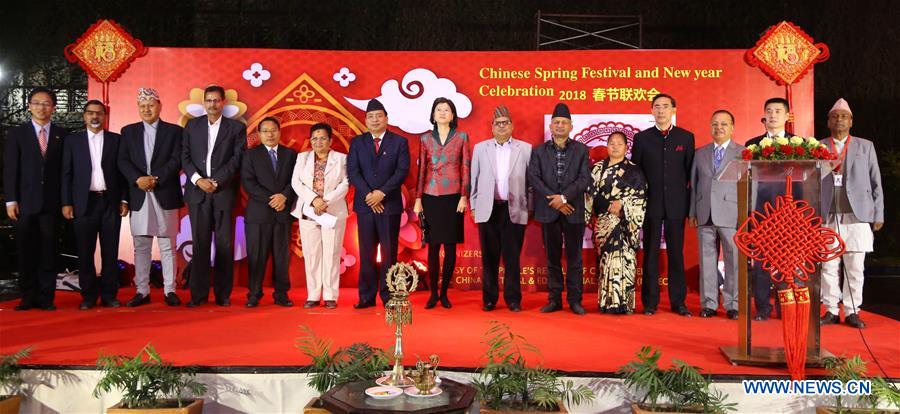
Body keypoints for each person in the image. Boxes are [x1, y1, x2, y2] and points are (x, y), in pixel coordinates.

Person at [820, 98, 884, 329]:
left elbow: (876, 182)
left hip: (857, 216)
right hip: (827, 216)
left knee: (855, 267)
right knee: (828, 265)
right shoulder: (818, 146)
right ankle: (830, 309)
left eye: (844, 116)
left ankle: (853, 310)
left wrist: (879, 214)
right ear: (828, 122)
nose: (839, 120)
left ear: (851, 122)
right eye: (835, 116)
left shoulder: (865, 146)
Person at [181, 85, 247, 307]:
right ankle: (198, 295)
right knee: (199, 244)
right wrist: (198, 180)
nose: (212, 104)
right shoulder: (192, 126)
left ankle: (222, 295)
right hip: (197, 192)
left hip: (223, 192)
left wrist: (216, 181)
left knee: (224, 245)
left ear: (223, 102)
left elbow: (236, 160)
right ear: (203, 103)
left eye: (216, 100)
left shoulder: (236, 128)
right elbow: (185, 156)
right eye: (208, 101)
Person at [118, 88, 185, 307]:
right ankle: (142, 291)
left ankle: (169, 290)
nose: (147, 109)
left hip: (164, 191)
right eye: (142, 105)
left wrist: (155, 179)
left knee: (167, 244)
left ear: (160, 105)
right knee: (141, 245)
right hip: (139, 193)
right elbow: (123, 161)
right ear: (138, 108)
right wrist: (138, 179)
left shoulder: (174, 131)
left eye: (151, 104)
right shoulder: (128, 132)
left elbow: (177, 160)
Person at [4, 87, 67, 311]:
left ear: (53, 108)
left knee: (49, 251)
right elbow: (11, 169)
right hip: (24, 203)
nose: (42, 107)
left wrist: (66, 201)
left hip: (52, 204)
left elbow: (65, 172)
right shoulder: (17, 134)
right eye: (37, 103)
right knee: (26, 249)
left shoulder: (62, 134)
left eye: (47, 103)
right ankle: (27, 295)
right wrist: (10, 200)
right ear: (29, 106)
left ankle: (46, 296)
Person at [631, 93, 695, 317]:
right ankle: (650, 302)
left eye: (665, 106)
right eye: (656, 106)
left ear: (674, 110)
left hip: (677, 205)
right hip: (651, 205)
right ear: (651, 111)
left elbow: (690, 175)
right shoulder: (642, 138)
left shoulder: (686, 138)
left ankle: (679, 302)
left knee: (676, 254)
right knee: (650, 253)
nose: (661, 110)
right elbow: (636, 173)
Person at [61, 100, 128, 310]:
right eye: (90, 113)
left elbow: (123, 173)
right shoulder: (73, 141)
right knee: (85, 250)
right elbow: (66, 174)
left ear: (105, 116)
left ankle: (109, 295)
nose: (95, 117)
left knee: (110, 251)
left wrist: (124, 199)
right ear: (84, 116)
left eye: (99, 113)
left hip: (110, 201)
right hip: (84, 202)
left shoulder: (116, 140)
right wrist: (66, 202)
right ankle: (88, 296)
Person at [528, 103, 591, 315]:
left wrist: (563, 198)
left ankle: (575, 300)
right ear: (551, 126)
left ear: (571, 126)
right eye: (557, 122)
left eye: (564, 122)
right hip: (548, 211)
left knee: (575, 258)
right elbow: (534, 178)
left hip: (573, 210)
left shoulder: (581, 150)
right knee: (552, 258)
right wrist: (554, 201)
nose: (560, 125)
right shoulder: (538, 151)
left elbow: (584, 179)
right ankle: (554, 299)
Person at [347, 99, 410, 308]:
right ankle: (366, 296)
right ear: (365, 120)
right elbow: (353, 172)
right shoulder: (357, 142)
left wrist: (381, 193)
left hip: (389, 204)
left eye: (378, 116)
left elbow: (401, 171)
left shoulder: (399, 142)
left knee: (389, 253)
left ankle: (389, 296)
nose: (375, 120)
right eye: (370, 117)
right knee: (366, 252)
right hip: (365, 205)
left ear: (386, 119)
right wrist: (369, 195)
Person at [471, 105, 531, 312]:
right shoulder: (481, 148)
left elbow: (530, 182)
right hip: (488, 209)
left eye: (506, 123)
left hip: (514, 208)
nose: (502, 126)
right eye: (498, 123)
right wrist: (473, 206)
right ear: (492, 127)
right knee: (489, 257)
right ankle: (489, 299)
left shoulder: (525, 149)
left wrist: (528, 207)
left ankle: (513, 299)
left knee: (512, 257)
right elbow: (474, 179)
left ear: (512, 126)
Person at [412, 97, 471, 309]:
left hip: (454, 196)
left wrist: (464, 196)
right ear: (433, 115)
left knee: (450, 246)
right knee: (433, 247)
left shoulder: (462, 137)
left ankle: (445, 292)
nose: (443, 113)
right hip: (430, 195)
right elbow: (421, 171)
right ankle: (433, 294)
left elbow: (465, 167)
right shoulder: (425, 139)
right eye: (439, 109)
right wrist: (418, 199)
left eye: (447, 109)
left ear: (453, 115)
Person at [689, 110, 744, 319]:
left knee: (734, 260)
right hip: (705, 213)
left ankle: (733, 304)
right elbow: (694, 185)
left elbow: (748, 186)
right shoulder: (700, 153)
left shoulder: (743, 152)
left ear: (732, 127)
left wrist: (745, 214)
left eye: (723, 124)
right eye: (714, 124)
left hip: (732, 214)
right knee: (707, 260)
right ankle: (709, 303)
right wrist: (692, 211)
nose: (718, 128)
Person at [743, 97, 795, 321]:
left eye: (777, 111)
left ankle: (785, 306)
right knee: (762, 263)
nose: (773, 115)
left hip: (789, 213)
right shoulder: (752, 144)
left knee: (786, 262)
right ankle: (762, 307)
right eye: (769, 111)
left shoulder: (799, 144)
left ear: (787, 116)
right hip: (761, 212)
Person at [585, 132, 647, 314]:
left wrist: (623, 205)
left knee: (624, 261)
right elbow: (588, 194)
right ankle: (606, 302)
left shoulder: (634, 170)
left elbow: (641, 196)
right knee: (606, 263)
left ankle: (624, 303)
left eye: (619, 144)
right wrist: (600, 207)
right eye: (611, 143)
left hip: (624, 223)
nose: (615, 146)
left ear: (626, 147)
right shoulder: (596, 169)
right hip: (604, 222)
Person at [242, 117, 298, 308]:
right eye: (265, 131)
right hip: (258, 214)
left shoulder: (291, 155)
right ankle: (254, 294)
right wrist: (272, 199)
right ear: (259, 134)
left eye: (273, 130)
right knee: (257, 256)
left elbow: (296, 181)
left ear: (279, 131)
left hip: (283, 214)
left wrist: (284, 196)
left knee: (282, 257)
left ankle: (282, 294)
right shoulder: (250, 155)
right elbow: (249, 183)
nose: (270, 134)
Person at [292, 123, 348, 309]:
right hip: (309, 211)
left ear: (330, 140)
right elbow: (296, 182)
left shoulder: (341, 159)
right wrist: (314, 200)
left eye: (323, 138)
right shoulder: (303, 157)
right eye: (314, 138)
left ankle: (331, 295)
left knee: (331, 253)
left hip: (332, 212)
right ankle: (313, 295)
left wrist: (325, 201)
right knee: (312, 254)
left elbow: (345, 184)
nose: (318, 142)